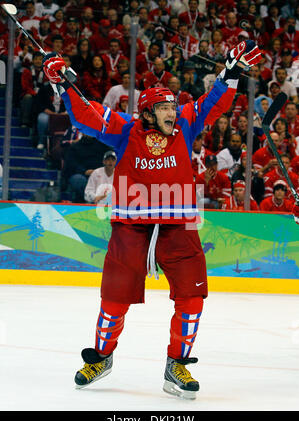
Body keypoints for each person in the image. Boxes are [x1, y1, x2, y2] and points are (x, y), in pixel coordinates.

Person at [42, 40, 264, 399]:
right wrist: (63, 84)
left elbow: (215, 102)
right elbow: (86, 114)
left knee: (193, 298)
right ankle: (101, 356)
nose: (172, 112)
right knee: (114, 297)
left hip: (178, 225)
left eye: (172, 106)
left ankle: (177, 365)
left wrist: (231, 72)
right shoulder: (125, 130)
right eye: (163, 107)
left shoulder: (186, 124)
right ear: (146, 113)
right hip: (131, 226)